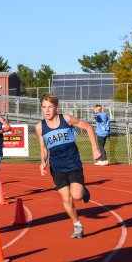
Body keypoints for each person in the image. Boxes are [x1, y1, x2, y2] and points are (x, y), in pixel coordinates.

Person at [36, 93, 101, 239]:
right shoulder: (40, 127)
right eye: (44, 107)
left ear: (56, 108)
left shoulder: (67, 119)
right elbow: (43, 148)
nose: (47, 111)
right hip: (57, 166)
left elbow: (88, 127)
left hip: (72, 163)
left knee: (77, 195)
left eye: (50, 107)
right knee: (66, 198)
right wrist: (43, 162)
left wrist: (95, 149)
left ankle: (83, 190)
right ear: (41, 109)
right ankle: (77, 225)